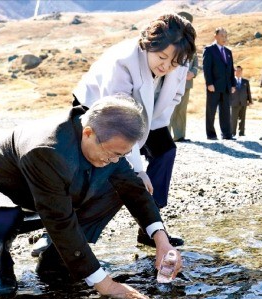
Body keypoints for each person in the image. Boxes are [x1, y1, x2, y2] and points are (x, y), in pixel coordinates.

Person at [0, 95, 183, 299]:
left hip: (49, 193)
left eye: (121, 155)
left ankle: (55, 260)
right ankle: (0, 265)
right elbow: (59, 219)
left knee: (121, 185)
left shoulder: (105, 138)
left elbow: (134, 190)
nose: (115, 160)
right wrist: (105, 284)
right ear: (88, 133)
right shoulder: (47, 149)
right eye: (113, 153)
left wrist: (162, 242)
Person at [72, 14, 195, 248]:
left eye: (174, 63)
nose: (166, 66)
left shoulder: (179, 61)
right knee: (107, 169)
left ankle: (151, 225)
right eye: (161, 57)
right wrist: (138, 171)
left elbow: (173, 98)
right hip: (99, 108)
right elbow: (120, 122)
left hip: (146, 116)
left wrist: (153, 127)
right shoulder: (123, 62)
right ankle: (64, 231)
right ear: (148, 44)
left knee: (165, 151)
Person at [169, 11, 199, 142]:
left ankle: (179, 135)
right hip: (171, 82)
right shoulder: (170, 40)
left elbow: (195, 62)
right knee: (168, 108)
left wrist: (193, 72)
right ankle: (165, 136)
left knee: (181, 109)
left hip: (186, 82)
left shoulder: (191, 43)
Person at [203, 27, 236, 140]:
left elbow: (231, 69)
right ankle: (211, 134)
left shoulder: (228, 52)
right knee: (211, 111)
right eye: (222, 35)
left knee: (226, 111)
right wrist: (209, 83)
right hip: (214, 86)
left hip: (226, 86)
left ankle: (227, 134)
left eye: (225, 36)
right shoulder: (209, 49)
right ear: (215, 36)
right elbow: (207, 68)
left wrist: (233, 84)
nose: (224, 38)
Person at [230, 65, 253, 137]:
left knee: (242, 119)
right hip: (234, 102)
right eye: (236, 70)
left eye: (239, 71)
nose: (238, 72)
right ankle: (232, 132)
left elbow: (248, 92)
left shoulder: (245, 82)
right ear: (234, 72)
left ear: (241, 71)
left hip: (243, 102)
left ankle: (241, 132)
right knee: (233, 119)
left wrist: (250, 100)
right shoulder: (231, 81)